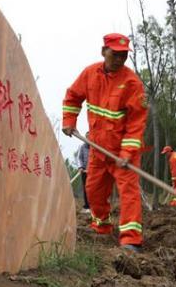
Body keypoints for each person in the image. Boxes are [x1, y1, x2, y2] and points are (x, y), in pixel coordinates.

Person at [62, 33, 148, 253]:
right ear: (104, 52)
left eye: (124, 55)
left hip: (123, 152)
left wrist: (127, 152)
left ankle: (131, 240)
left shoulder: (132, 84)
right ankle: (102, 227)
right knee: (93, 191)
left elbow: (136, 122)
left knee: (128, 194)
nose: (119, 59)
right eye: (115, 54)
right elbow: (72, 96)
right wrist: (69, 120)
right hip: (98, 150)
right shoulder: (90, 74)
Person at [77, 132, 91, 213]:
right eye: (87, 137)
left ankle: (94, 206)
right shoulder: (82, 147)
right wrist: (81, 167)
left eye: (90, 137)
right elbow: (79, 158)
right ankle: (87, 206)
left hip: (94, 172)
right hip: (84, 171)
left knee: (94, 189)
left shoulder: (95, 147)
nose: (88, 139)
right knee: (85, 188)